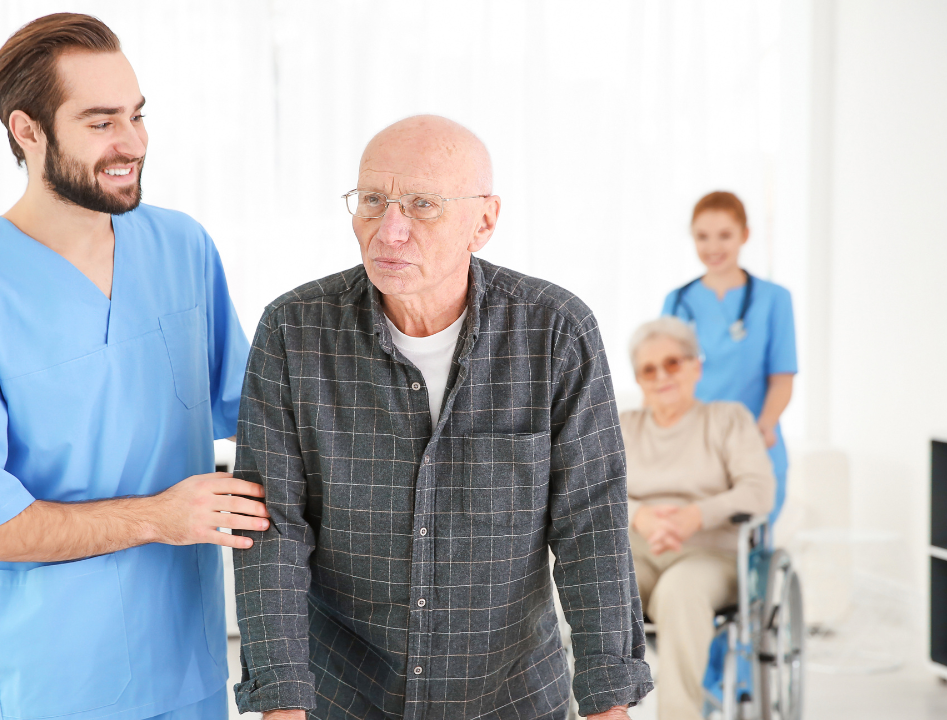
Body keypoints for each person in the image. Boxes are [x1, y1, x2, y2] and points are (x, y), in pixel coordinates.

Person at [232, 115, 653, 720]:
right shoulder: (292, 329)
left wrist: (610, 701)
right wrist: (280, 703)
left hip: (511, 694)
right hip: (344, 692)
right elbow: (274, 530)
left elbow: (592, 525)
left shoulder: (556, 330)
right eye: (373, 201)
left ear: (483, 221)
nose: (389, 231)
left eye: (423, 205)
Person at [0, 14, 264, 720]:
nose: (131, 143)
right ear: (27, 130)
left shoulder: (182, 249)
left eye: (136, 116)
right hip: (63, 679)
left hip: (191, 663)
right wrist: (159, 519)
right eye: (101, 122)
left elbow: (255, 411)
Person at [622, 317, 775, 720]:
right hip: (636, 552)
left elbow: (759, 491)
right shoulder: (622, 426)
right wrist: (641, 517)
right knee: (591, 581)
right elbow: (588, 489)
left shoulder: (728, 419)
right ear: (638, 379)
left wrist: (696, 515)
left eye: (673, 363)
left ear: (696, 366)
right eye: (649, 369)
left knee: (680, 591)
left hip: (710, 554)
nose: (661, 377)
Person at [661, 191, 796, 522]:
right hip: (695, 448)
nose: (713, 247)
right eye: (702, 236)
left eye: (725, 235)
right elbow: (665, 380)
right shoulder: (677, 301)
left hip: (755, 441)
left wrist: (762, 428)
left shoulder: (774, 299)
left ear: (745, 236)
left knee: (747, 551)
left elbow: (782, 378)